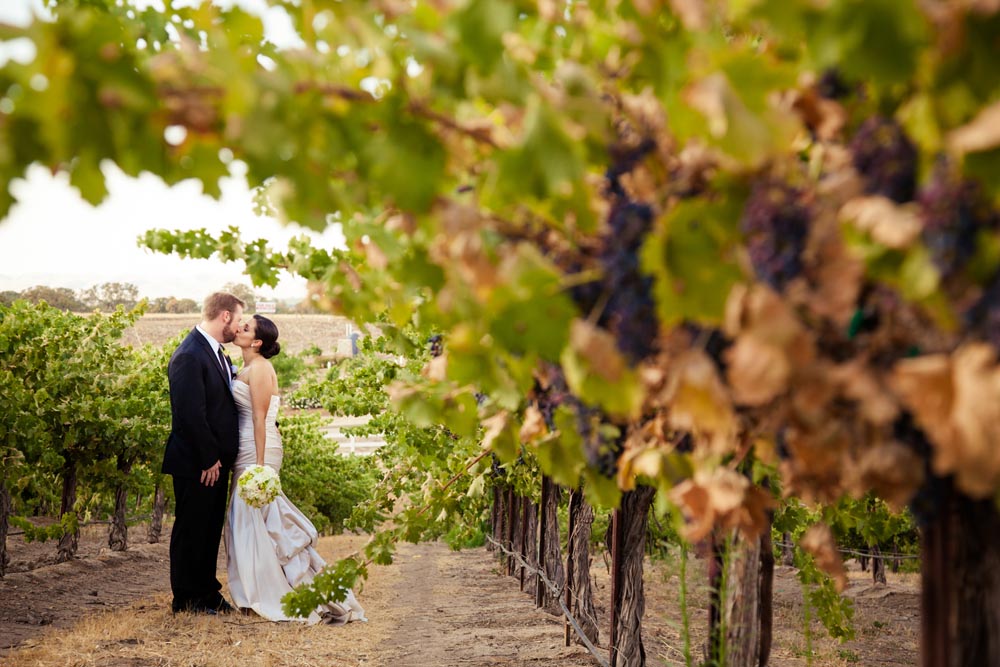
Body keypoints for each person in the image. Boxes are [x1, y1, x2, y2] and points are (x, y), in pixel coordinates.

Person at [224, 314, 367, 624]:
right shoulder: (247, 367)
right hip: (247, 447)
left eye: (246, 328)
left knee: (260, 523)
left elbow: (261, 419)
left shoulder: (261, 368)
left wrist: (261, 468)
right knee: (247, 524)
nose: (239, 329)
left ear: (257, 342)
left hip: (257, 449)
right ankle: (252, 592)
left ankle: (270, 594)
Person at [162, 291, 245, 614]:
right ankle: (186, 598)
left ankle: (207, 592)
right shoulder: (190, 355)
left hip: (215, 461)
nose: (238, 327)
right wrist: (209, 457)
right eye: (238, 320)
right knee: (191, 529)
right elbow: (190, 413)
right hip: (196, 461)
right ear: (224, 316)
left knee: (208, 529)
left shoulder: (216, 353)